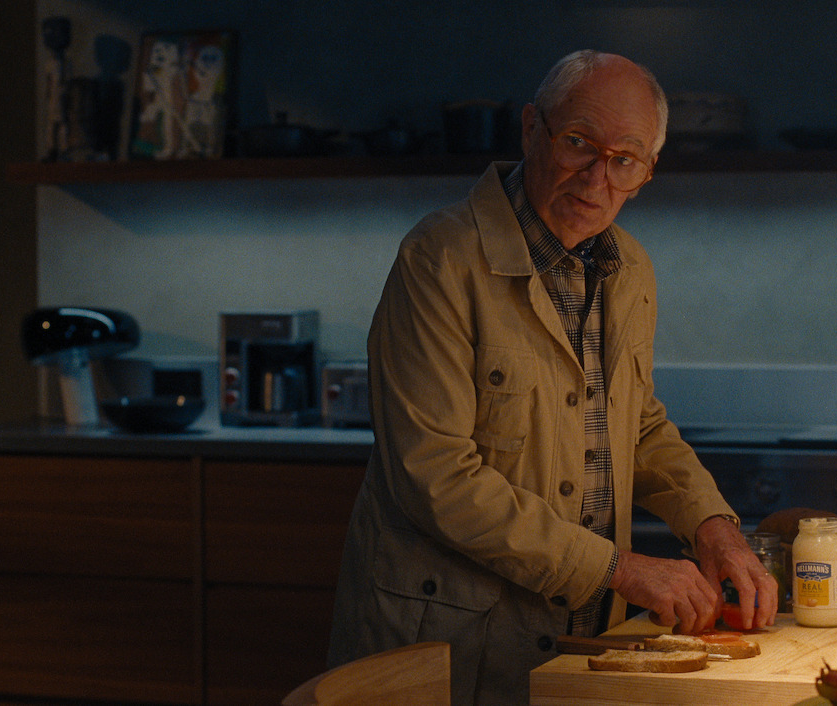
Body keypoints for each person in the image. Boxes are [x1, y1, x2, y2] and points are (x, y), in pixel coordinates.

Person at [327, 49, 778, 705]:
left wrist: (714, 527)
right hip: (445, 644)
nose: (597, 178)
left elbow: (638, 423)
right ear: (531, 130)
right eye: (578, 144)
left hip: (580, 640)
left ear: (646, 174)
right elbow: (437, 475)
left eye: (624, 159)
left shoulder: (631, 270)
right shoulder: (441, 258)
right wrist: (619, 569)